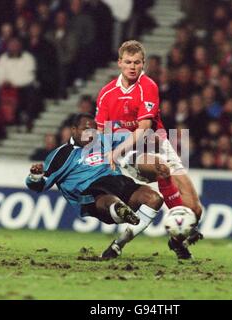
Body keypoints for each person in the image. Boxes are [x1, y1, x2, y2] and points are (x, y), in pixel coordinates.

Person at [94, 40, 203, 259]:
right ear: (119, 63)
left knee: (195, 210)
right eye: (128, 62)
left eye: (137, 62)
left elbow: (144, 127)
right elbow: (101, 130)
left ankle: (176, 240)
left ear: (143, 64)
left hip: (158, 143)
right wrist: (110, 153)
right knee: (160, 167)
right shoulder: (106, 94)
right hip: (128, 151)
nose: (132, 67)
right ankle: (125, 241)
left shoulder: (148, 86)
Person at [26, 113, 164, 259]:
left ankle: (118, 244)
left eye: (93, 130)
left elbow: (134, 140)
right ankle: (118, 208)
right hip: (90, 193)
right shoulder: (62, 154)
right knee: (107, 196)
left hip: (118, 182)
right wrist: (35, 177)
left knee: (154, 199)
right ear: (73, 130)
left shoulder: (104, 141)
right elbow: (40, 185)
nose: (90, 134)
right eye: (85, 130)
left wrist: (151, 141)